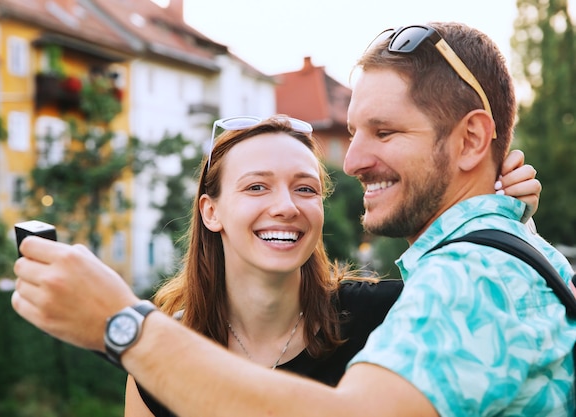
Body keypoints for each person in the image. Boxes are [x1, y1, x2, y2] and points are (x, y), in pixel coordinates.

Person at [10, 21, 574, 416]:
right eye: (354, 133)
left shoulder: (460, 280)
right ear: (211, 212)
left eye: (385, 131)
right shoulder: (483, 262)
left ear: (471, 138)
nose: (351, 161)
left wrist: (123, 326)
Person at [124, 116, 538, 416]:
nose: (286, 207)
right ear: (211, 212)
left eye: (305, 188)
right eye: (256, 187)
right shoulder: (160, 352)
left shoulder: (387, 317)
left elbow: (517, 313)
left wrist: (503, 218)